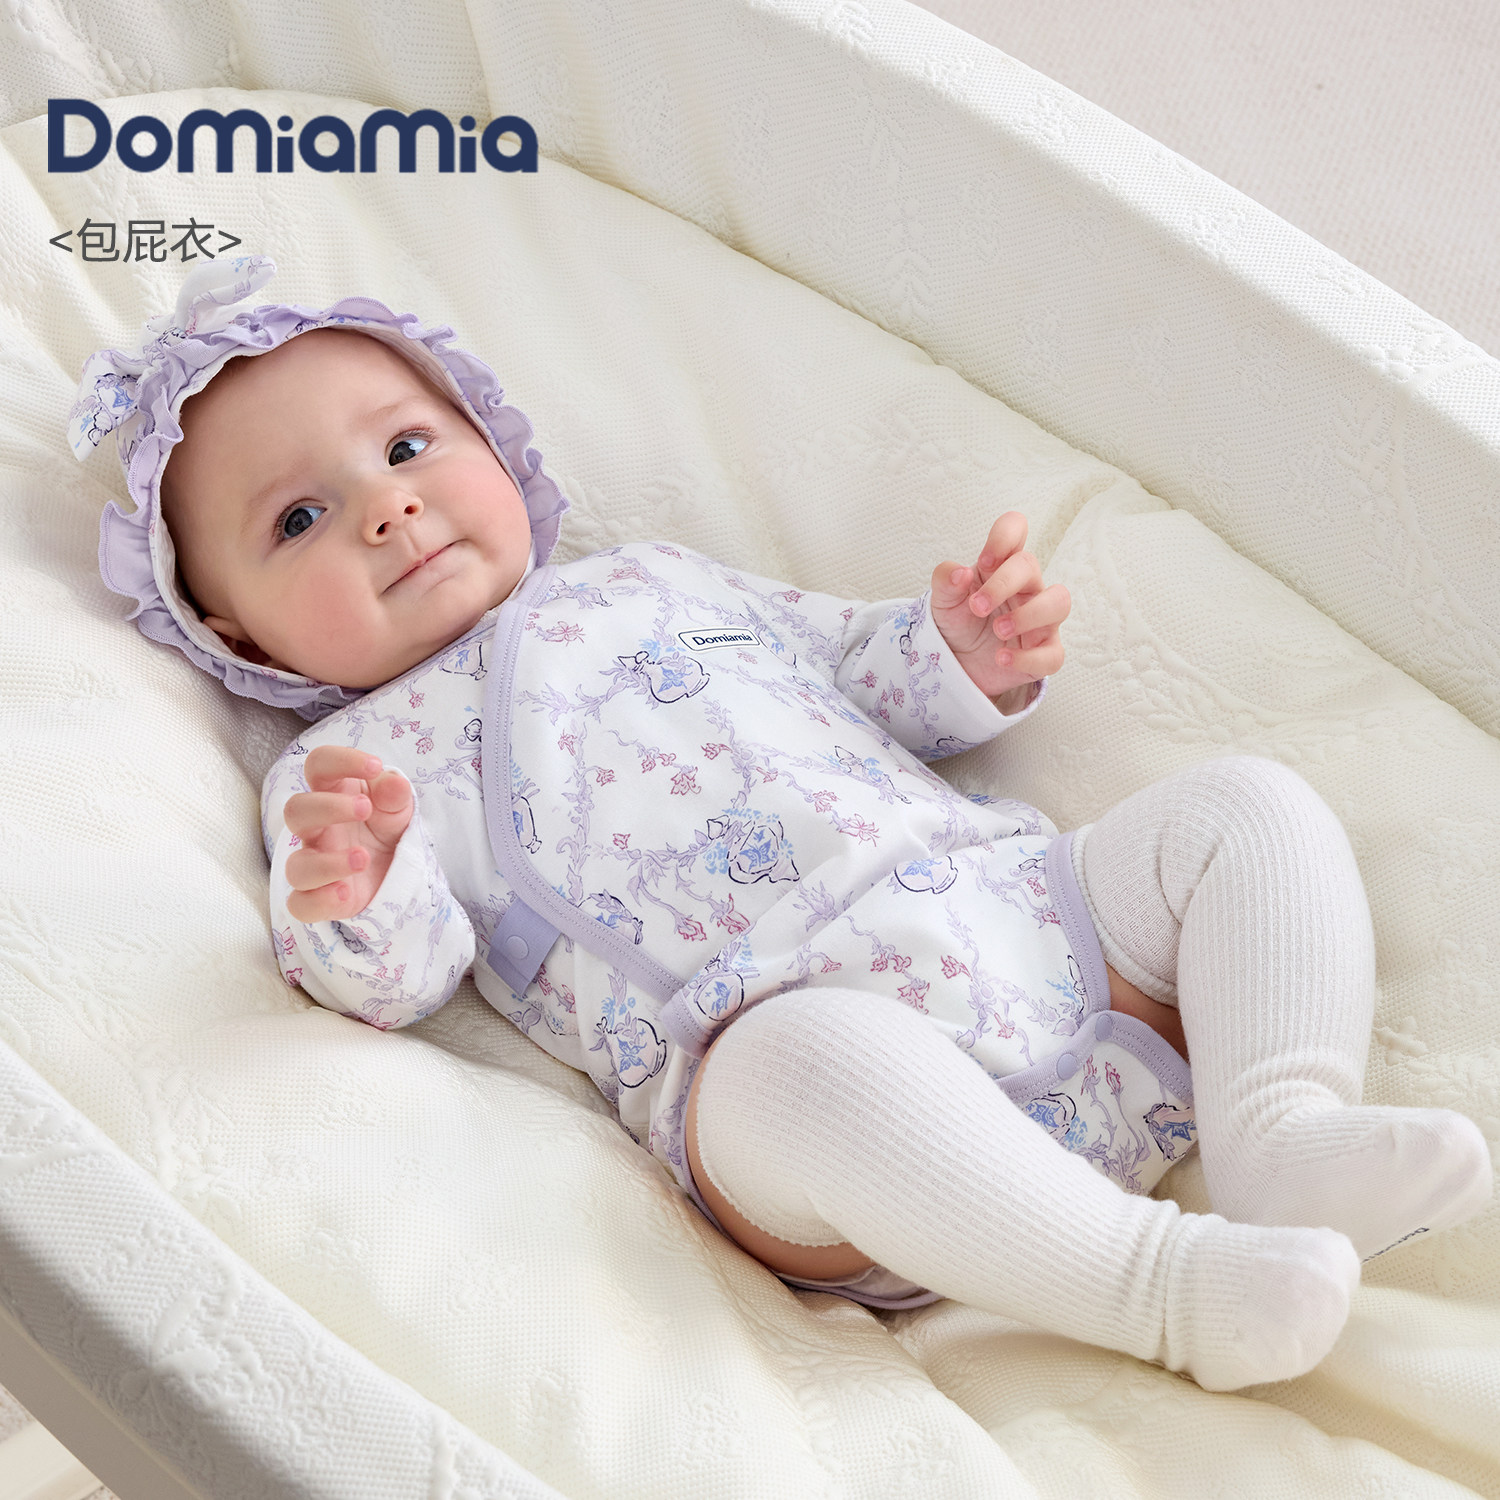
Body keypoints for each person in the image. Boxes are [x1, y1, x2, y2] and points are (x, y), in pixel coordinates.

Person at [72, 257, 1492, 1393]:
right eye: (299, 520)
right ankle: (1162, 1288)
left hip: (1033, 932)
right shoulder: (352, 765)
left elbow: (858, 672)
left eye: (406, 445)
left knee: (1242, 810)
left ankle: (1278, 1131)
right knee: (802, 1065)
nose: (387, 509)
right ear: (232, 631)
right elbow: (395, 975)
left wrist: (960, 653)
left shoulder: (654, 578)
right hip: (802, 1081)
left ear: (491, 441)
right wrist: (355, 884)